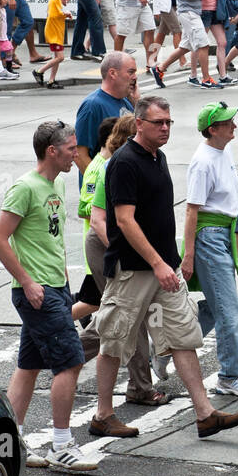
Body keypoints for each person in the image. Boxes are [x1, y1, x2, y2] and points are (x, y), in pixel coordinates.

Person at [90, 96, 238, 440]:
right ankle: (102, 414)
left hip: (165, 270)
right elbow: (124, 221)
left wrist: (172, 263)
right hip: (134, 270)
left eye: (168, 122)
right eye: (158, 122)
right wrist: (159, 263)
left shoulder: (157, 157)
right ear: (139, 124)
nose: (165, 128)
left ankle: (205, 414)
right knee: (114, 340)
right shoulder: (124, 162)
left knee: (183, 336)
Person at [0, 121, 99, 474]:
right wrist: (26, 281)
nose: (76, 153)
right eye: (71, 148)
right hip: (36, 292)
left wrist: (64, 284)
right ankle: (62, 444)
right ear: (51, 151)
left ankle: (10, 444)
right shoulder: (24, 188)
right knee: (70, 361)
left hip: (54, 289)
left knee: (28, 366)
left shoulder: (58, 183)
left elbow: (51, 240)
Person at [78, 114, 167, 409]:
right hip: (110, 248)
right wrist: (121, 253)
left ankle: (64, 353)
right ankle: (139, 385)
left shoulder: (143, 161)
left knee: (114, 316)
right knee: (126, 319)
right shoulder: (111, 167)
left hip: (121, 249)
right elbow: (97, 219)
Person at [183, 101, 238, 398]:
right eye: (228, 123)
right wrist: (188, 255)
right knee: (229, 311)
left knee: (219, 308)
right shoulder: (203, 161)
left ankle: (168, 346)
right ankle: (229, 376)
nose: (234, 126)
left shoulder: (222, 150)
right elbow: (192, 210)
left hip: (223, 233)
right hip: (211, 237)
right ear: (213, 130)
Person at [75, 52, 138, 174]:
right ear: (113, 73)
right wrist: (100, 183)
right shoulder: (92, 106)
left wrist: (136, 101)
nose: (135, 77)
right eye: (131, 72)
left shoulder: (125, 100)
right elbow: (79, 154)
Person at [199, 0, 232, 85]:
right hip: (204, 11)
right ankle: (194, 74)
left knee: (222, 42)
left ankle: (223, 75)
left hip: (216, 11)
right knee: (200, 43)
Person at [33, 0, 71, 88]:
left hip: (56, 32)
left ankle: (51, 80)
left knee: (57, 57)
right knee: (60, 57)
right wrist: (65, 13)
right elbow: (55, 14)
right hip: (54, 32)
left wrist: (64, 13)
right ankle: (39, 71)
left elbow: (55, 13)